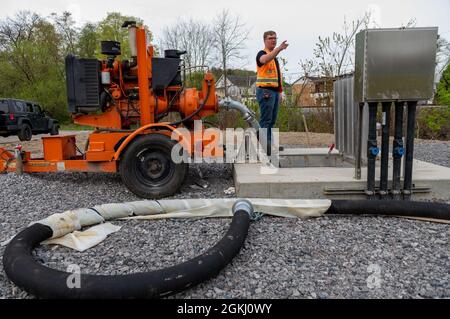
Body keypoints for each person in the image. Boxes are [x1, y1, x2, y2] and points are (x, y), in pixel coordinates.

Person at [256, 31, 288, 155]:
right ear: (264, 40)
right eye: (270, 38)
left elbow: (278, 76)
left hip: (274, 92)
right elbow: (263, 60)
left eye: (275, 38)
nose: (273, 40)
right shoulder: (262, 53)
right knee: (266, 120)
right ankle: (265, 148)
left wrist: (280, 91)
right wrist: (279, 49)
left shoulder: (274, 59)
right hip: (265, 91)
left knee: (272, 121)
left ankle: (269, 146)